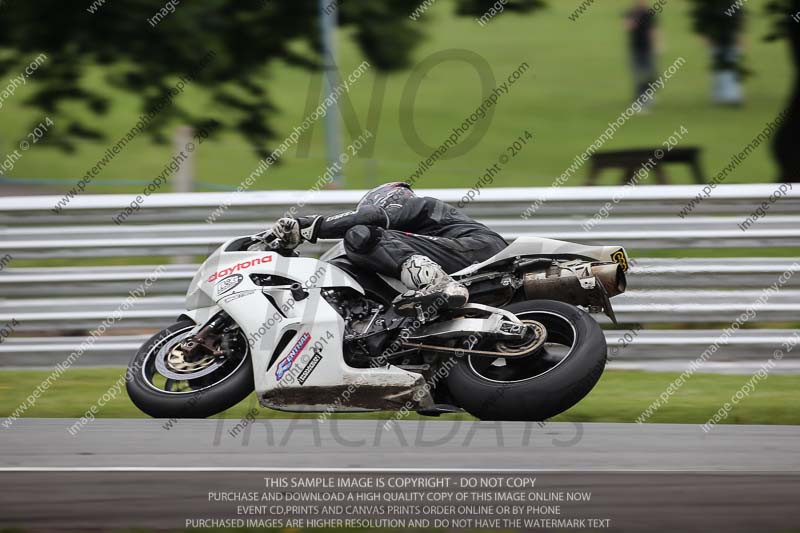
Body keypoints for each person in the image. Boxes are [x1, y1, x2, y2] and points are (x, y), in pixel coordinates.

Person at [270, 182, 507, 316]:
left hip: (476, 249)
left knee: (361, 235)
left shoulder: (407, 202)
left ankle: (437, 284)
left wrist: (315, 226)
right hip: (470, 258)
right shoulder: (412, 234)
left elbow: (371, 217)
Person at [625, 0, 659, 109]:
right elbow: (627, 26)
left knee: (652, 75)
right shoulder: (631, 12)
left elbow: (653, 30)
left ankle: (646, 95)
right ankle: (641, 99)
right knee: (638, 75)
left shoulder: (649, 14)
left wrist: (658, 45)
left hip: (648, 48)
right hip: (635, 48)